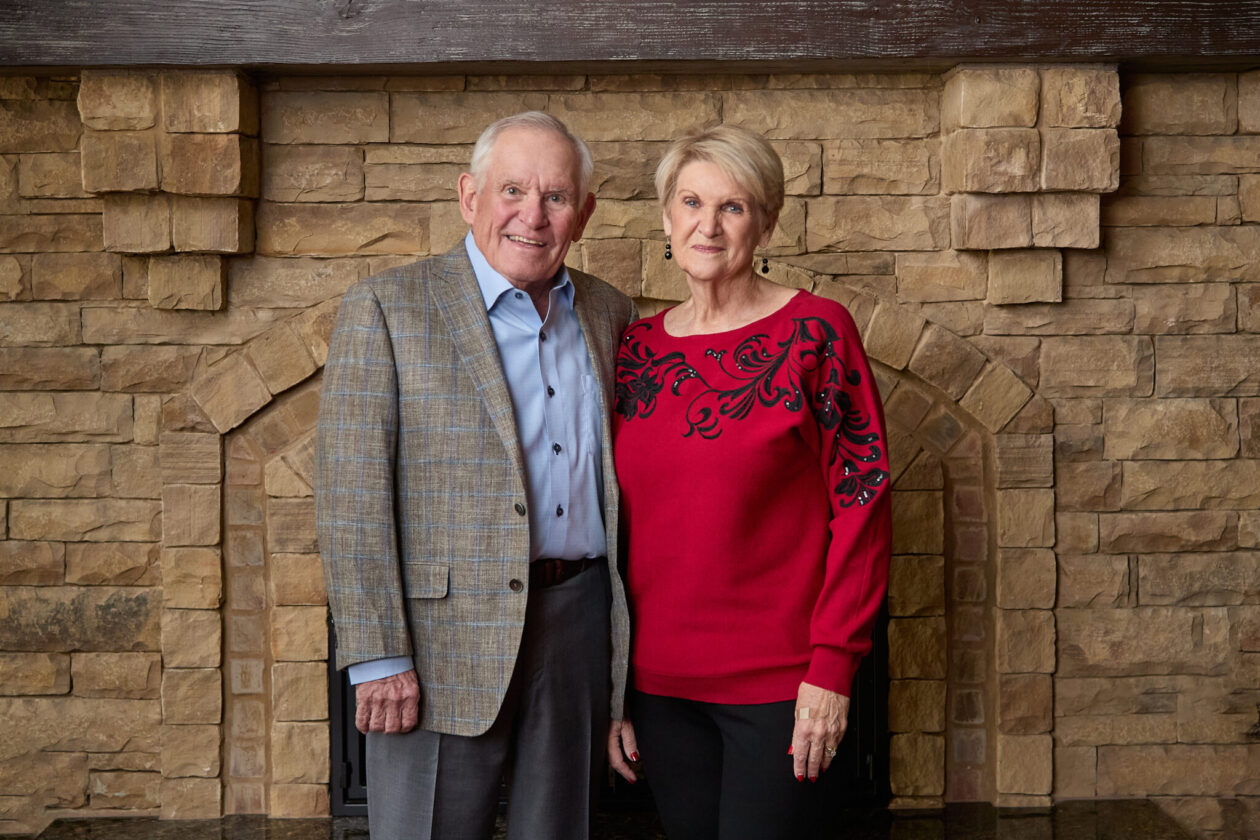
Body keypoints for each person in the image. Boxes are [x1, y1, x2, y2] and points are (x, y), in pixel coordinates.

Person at [316, 111, 638, 840]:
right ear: (469, 196)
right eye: (513, 190)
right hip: (435, 640)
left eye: (556, 196)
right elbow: (350, 494)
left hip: (577, 627)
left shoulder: (612, 313)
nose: (533, 214)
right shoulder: (387, 308)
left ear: (583, 214)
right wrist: (378, 656)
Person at [609, 125, 892, 840]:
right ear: (667, 217)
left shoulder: (817, 334)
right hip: (659, 688)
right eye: (691, 202)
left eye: (733, 207)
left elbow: (862, 502)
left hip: (782, 685)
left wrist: (833, 668)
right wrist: (612, 686)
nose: (708, 225)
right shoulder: (633, 350)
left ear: (765, 222)